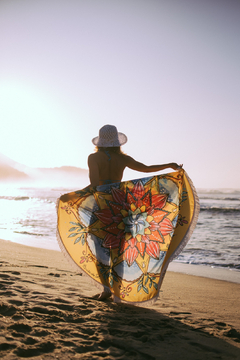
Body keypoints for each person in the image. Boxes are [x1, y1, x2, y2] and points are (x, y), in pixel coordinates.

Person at [88, 124, 182, 300]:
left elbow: (94, 185)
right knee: (119, 248)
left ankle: (105, 289)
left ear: (100, 140)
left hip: (102, 203)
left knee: (99, 246)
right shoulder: (122, 159)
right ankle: (117, 292)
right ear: (117, 141)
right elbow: (146, 169)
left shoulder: (94, 157)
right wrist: (169, 165)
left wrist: (72, 197)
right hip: (120, 203)